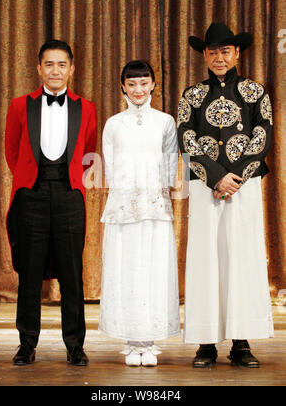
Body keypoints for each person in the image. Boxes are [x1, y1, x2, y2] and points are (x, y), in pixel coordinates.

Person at [177, 23, 274, 368]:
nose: (219, 58)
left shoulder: (255, 92)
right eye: (213, 51)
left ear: (236, 53)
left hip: (244, 187)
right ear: (204, 55)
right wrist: (216, 178)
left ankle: (242, 340)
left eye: (225, 51)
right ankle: (205, 341)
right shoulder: (191, 95)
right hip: (206, 187)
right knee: (205, 258)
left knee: (242, 258)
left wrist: (236, 178)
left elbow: (262, 135)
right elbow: (186, 139)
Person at [5, 39, 97, 366]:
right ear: (38, 68)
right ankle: (26, 344)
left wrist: (71, 182)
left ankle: (75, 345)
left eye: (62, 64)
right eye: (49, 64)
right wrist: (31, 182)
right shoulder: (19, 105)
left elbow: (89, 151)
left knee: (72, 274)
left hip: (70, 195)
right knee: (29, 273)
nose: (55, 70)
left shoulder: (87, 108)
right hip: (32, 194)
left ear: (72, 68)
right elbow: (12, 152)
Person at [99, 60, 180, 366]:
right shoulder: (114, 123)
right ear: (123, 86)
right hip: (123, 209)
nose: (138, 90)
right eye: (132, 84)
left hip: (155, 209)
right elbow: (109, 165)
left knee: (153, 272)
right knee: (126, 270)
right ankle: (132, 342)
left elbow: (171, 164)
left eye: (144, 83)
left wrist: (158, 194)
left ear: (153, 85)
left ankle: (150, 341)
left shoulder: (165, 122)